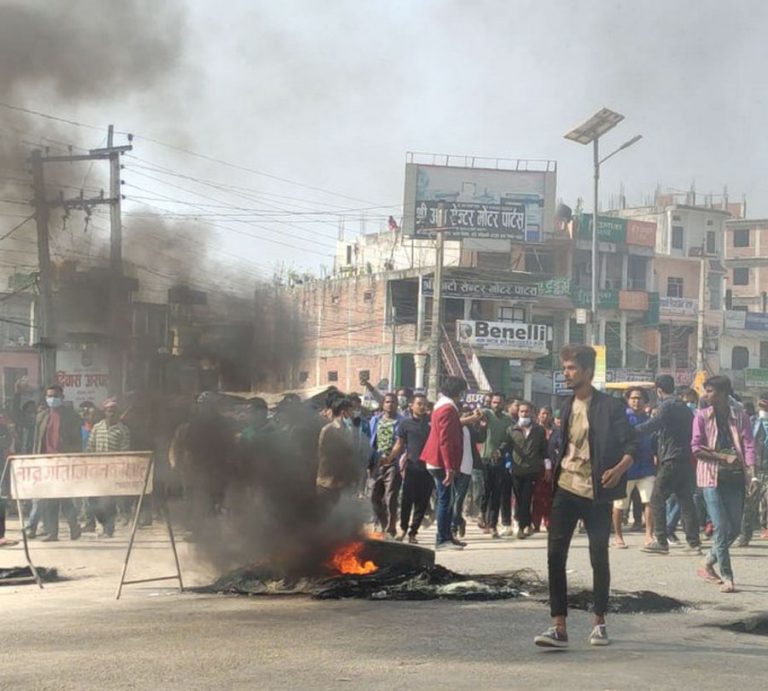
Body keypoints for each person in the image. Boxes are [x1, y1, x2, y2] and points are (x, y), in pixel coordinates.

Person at [534, 345, 635, 648]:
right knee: (554, 556)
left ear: (587, 372)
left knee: (598, 557)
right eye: (565, 368)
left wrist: (618, 471)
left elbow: (632, 447)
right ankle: (559, 627)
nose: (566, 373)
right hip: (565, 489)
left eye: (571, 368)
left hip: (597, 494)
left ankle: (600, 622)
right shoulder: (564, 406)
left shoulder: (611, 407)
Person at [691, 375, 755, 593]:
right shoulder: (701, 416)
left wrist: (751, 472)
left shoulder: (740, 415)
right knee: (720, 527)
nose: (706, 395)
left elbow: (748, 444)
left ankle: (709, 561)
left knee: (735, 528)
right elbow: (696, 448)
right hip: (711, 477)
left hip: (735, 478)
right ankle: (728, 577)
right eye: (705, 391)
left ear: (724, 393)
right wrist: (721, 457)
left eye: (710, 391)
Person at [639, 376, 702, 556]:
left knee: (657, 499)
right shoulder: (685, 407)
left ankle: (661, 541)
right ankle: (694, 543)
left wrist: (630, 431)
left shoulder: (666, 406)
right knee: (686, 500)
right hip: (685, 459)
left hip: (671, 458)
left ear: (658, 390)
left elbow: (652, 425)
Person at [421, 376, 467, 550]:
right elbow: (445, 440)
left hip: (440, 460)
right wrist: (449, 466)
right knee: (444, 499)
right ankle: (442, 539)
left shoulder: (442, 405)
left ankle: (447, 535)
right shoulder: (447, 409)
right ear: (458, 392)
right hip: (440, 461)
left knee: (448, 498)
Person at [32, 384, 83, 542]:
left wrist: (74, 460)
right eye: (49, 396)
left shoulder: (71, 416)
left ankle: (74, 527)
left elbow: (77, 441)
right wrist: (35, 460)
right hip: (46, 462)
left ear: (62, 398)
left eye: (54, 396)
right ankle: (53, 533)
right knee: (49, 499)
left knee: (64, 497)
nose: (51, 399)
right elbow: (36, 441)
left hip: (64, 461)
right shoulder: (42, 416)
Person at [499, 401, 550, 539]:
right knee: (518, 498)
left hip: (532, 470)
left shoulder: (539, 431)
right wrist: (500, 452)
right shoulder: (512, 430)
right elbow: (506, 446)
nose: (524, 414)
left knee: (527, 497)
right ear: (518, 413)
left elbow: (544, 451)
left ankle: (524, 526)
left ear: (532, 413)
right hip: (516, 470)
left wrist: (548, 468)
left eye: (527, 411)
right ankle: (522, 523)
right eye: (522, 411)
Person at [613, 388, 656, 549]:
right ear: (628, 400)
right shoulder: (621, 419)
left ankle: (649, 536)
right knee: (619, 504)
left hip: (646, 467)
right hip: (625, 469)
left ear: (645, 401)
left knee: (649, 501)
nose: (636, 401)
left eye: (639, 398)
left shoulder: (650, 420)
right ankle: (618, 536)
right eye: (633, 398)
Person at [86, 398, 131, 537]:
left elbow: (125, 450)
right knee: (92, 500)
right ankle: (104, 523)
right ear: (104, 412)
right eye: (109, 410)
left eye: (114, 411)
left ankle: (108, 529)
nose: (111, 413)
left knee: (108, 502)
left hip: (113, 472)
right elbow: (90, 447)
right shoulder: (97, 427)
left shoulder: (123, 430)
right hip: (96, 471)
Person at [390, 393, 432, 544]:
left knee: (422, 502)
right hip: (412, 467)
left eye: (424, 404)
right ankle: (403, 528)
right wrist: (389, 458)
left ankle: (413, 532)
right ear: (411, 405)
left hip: (429, 468)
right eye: (419, 404)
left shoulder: (432, 423)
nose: (422, 407)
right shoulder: (405, 424)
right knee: (407, 500)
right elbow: (399, 444)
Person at [369, 393, 404, 537]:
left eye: (393, 402)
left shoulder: (402, 421)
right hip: (376, 463)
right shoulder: (375, 420)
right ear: (383, 404)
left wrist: (390, 458)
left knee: (390, 497)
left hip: (393, 463)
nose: (391, 404)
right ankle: (382, 524)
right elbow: (371, 441)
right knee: (374, 496)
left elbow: (400, 443)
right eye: (388, 402)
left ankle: (390, 528)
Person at [479, 393, 512, 538]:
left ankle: (492, 525)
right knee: (485, 490)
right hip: (484, 458)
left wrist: (500, 450)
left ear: (504, 404)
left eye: (499, 402)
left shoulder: (508, 419)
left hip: (498, 459)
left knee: (496, 493)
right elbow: (476, 414)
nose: (496, 404)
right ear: (490, 403)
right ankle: (481, 514)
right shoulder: (486, 413)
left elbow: (508, 439)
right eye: (494, 402)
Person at [316, 396, 358, 509]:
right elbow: (323, 455)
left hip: (342, 481)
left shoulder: (348, 430)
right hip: (328, 482)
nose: (353, 414)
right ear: (344, 412)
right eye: (351, 411)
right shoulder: (328, 430)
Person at [738, 394, 768, 545]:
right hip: (754, 469)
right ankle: (745, 535)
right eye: (762, 406)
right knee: (750, 504)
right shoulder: (752, 422)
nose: (763, 410)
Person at [452, 406, 483, 542]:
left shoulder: (470, 429)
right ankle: (457, 521)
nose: (467, 416)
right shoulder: (453, 427)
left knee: (458, 499)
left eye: (469, 414)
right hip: (452, 467)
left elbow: (480, 438)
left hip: (467, 467)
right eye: (464, 414)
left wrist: (483, 425)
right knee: (451, 499)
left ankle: (453, 527)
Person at [531, 406, 555, 532]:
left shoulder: (555, 431)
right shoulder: (533, 430)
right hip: (536, 466)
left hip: (552, 466)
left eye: (547, 414)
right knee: (537, 495)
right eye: (543, 413)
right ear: (538, 415)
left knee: (549, 495)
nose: (545, 416)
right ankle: (535, 521)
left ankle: (548, 521)